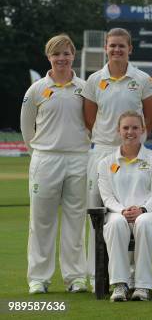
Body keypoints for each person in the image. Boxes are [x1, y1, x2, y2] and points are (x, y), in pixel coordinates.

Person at [83, 28, 152, 288]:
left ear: (130, 49)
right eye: (112, 46)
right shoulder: (94, 80)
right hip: (103, 150)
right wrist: (110, 138)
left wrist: (132, 140)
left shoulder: (142, 79)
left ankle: (132, 275)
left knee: (132, 213)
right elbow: (90, 118)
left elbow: (150, 116)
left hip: (134, 153)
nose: (116, 50)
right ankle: (96, 275)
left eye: (121, 46)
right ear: (106, 47)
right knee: (97, 214)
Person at [21, 34, 90, 294]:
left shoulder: (84, 88)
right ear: (48, 57)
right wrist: (39, 153)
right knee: (41, 222)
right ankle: (38, 279)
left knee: (75, 221)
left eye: (66, 53)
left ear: (73, 55)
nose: (62, 58)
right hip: (46, 159)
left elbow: (93, 123)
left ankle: (76, 278)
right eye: (56, 54)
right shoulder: (36, 89)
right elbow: (27, 128)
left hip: (78, 159)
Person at [98, 111, 152, 302]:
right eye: (126, 128)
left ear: (143, 130)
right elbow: (107, 196)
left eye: (135, 127)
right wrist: (122, 211)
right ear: (118, 131)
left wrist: (142, 210)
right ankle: (120, 284)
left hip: (150, 213)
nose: (130, 132)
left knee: (143, 222)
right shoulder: (106, 163)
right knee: (114, 224)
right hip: (118, 213)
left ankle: (142, 285)